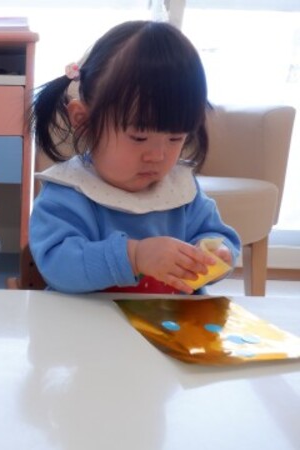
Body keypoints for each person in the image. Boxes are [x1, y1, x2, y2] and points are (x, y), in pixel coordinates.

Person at [28, 20, 241, 295]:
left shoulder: (181, 190)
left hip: (169, 319)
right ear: (83, 121)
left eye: (175, 138)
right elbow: (57, 266)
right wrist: (134, 255)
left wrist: (216, 253)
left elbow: (217, 234)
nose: (157, 156)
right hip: (86, 319)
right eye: (139, 138)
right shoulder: (69, 191)